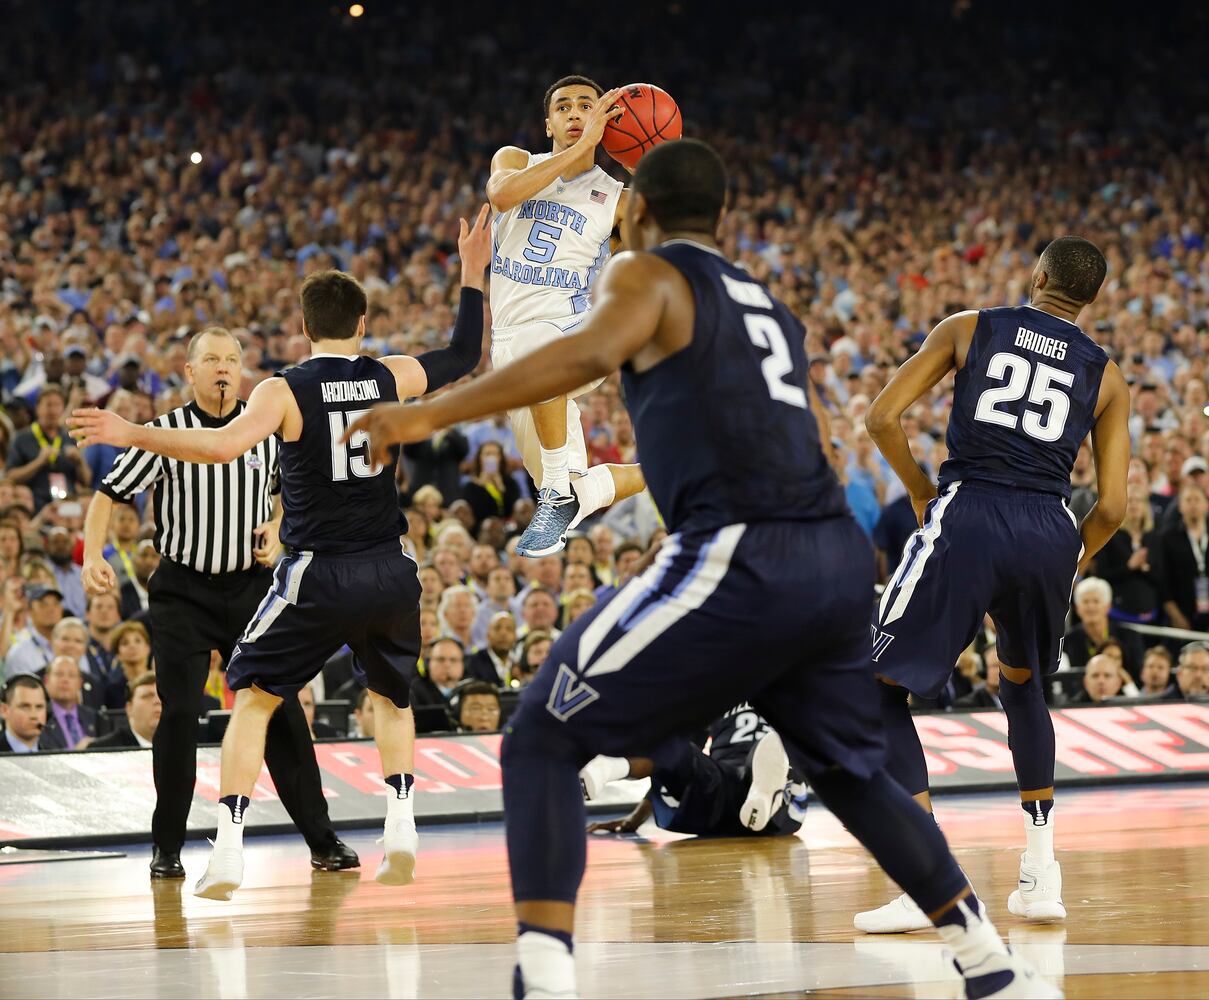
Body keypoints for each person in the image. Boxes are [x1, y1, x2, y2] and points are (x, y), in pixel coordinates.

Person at [347, 139, 1055, 999]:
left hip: (740, 550)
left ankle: (545, 978)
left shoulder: (646, 273)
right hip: (830, 557)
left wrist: (427, 416)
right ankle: (989, 963)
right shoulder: (767, 304)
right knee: (847, 772)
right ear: (720, 214)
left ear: (635, 210)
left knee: (540, 735)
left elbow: (580, 357)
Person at [70, 204, 493, 901]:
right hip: (390, 568)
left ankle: (230, 845)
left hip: (316, 572)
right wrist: (472, 272)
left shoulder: (283, 389)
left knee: (254, 699)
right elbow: (464, 354)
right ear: (362, 324)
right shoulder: (390, 374)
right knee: (391, 697)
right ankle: (400, 821)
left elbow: (222, 447)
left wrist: (130, 431)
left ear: (303, 327)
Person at [860, 234, 1129, 934]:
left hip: (971, 512)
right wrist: (1068, 556)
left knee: (876, 687)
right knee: (1022, 686)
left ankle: (926, 881)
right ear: (1091, 299)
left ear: (1037, 276)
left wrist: (919, 488)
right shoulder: (1106, 375)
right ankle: (1041, 874)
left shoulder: (969, 327)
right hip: (1049, 527)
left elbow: (881, 417)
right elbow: (1114, 508)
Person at [76, 326, 358, 881]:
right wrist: (92, 555)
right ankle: (167, 847)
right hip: (182, 589)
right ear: (191, 372)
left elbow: (291, 493)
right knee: (180, 712)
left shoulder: (264, 428)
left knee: (280, 708)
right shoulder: (165, 431)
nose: (223, 367)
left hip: (251, 588)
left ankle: (322, 840)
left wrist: (277, 525)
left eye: (231, 359)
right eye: (211, 360)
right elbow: (108, 493)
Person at [486, 75, 646, 557]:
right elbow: (501, 197)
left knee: (542, 354)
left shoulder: (618, 198)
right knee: (576, 491)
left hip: (576, 332)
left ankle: (554, 490)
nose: (576, 113)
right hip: (510, 348)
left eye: (586, 106)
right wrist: (577, 152)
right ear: (548, 124)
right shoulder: (515, 160)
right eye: (564, 107)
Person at [582, 706, 807, 839]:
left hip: (746, 785)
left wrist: (637, 817)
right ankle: (605, 767)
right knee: (668, 743)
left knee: (776, 755)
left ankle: (765, 792)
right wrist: (635, 818)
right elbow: (676, 758)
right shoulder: (718, 689)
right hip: (725, 784)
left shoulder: (791, 685)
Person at [5, 386, 92, 510]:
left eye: (57, 405)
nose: (53, 410)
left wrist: (79, 461)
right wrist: (38, 462)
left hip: (67, 507)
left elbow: (87, 481)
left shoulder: (69, 437)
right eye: (49, 405)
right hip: (33, 506)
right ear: (37, 408)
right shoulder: (22, 438)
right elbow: (10, 476)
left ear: (63, 408)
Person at [1062, 577, 1144, 681]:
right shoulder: (1067, 641)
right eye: (1085, 601)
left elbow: (1140, 677)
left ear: (1108, 606)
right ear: (1077, 608)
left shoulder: (1130, 637)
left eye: (1096, 601)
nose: (1090, 607)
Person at [3, 584, 64, 678]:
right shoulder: (19, 653)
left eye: (56, 604)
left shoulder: (74, 646)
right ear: (30, 611)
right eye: (43, 605)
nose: (51, 609)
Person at [39, 655, 97, 749]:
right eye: (59, 674)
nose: (65, 680)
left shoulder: (93, 717)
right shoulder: (40, 718)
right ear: (46, 681)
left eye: (71, 675)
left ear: (79, 684)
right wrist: (76, 752)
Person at [92, 672, 162, 749]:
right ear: (129, 708)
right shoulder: (102, 749)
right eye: (147, 696)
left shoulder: (172, 745)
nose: (158, 701)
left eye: (162, 696)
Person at [466, 611, 516, 685]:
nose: (503, 633)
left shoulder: (520, 663)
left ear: (515, 636)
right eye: (497, 628)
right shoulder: (473, 663)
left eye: (509, 629)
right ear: (488, 635)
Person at [1, 673, 48, 753]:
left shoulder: (54, 754)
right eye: (25, 707)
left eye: (39, 707)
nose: (34, 715)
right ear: (4, 710)